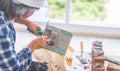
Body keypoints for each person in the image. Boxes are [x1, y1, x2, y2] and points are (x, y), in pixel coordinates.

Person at [0, 0, 49, 71]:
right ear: (23, 12)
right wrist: (33, 45)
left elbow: (9, 14)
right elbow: (12, 68)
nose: (34, 12)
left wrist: (27, 22)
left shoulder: (4, 8)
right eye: (35, 9)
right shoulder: (2, 28)